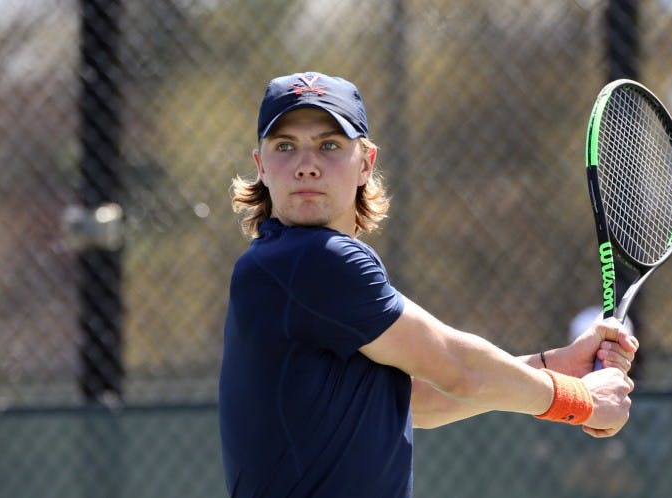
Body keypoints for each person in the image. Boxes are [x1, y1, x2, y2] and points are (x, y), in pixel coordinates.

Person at [220, 71, 639, 497]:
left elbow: (420, 399)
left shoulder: (287, 267)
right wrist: (581, 400)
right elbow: (458, 370)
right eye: (285, 146)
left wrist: (554, 365)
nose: (306, 165)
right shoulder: (313, 261)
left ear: (366, 163)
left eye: (329, 145)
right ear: (261, 166)